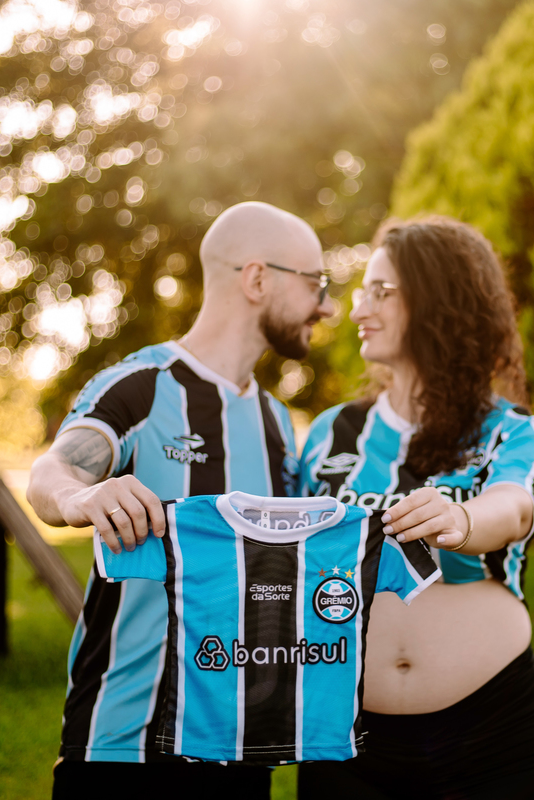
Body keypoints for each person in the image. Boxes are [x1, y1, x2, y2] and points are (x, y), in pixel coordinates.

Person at [26, 201, 336, 798]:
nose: (327, 306)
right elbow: (53, 469)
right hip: (125, 749)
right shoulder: (142, 387)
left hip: (240, 749)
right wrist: (82, 497)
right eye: (314, 282)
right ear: (257, 279)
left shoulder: (276, 422)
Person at [296, 216, 534, 799]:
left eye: (381, 291)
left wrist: (460, 520)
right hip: (345, 736)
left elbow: (513, 509)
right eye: (362, 291)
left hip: (494, 733)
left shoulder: (514, 431)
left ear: (438, 300)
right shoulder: (328, 434)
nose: (359, 308)